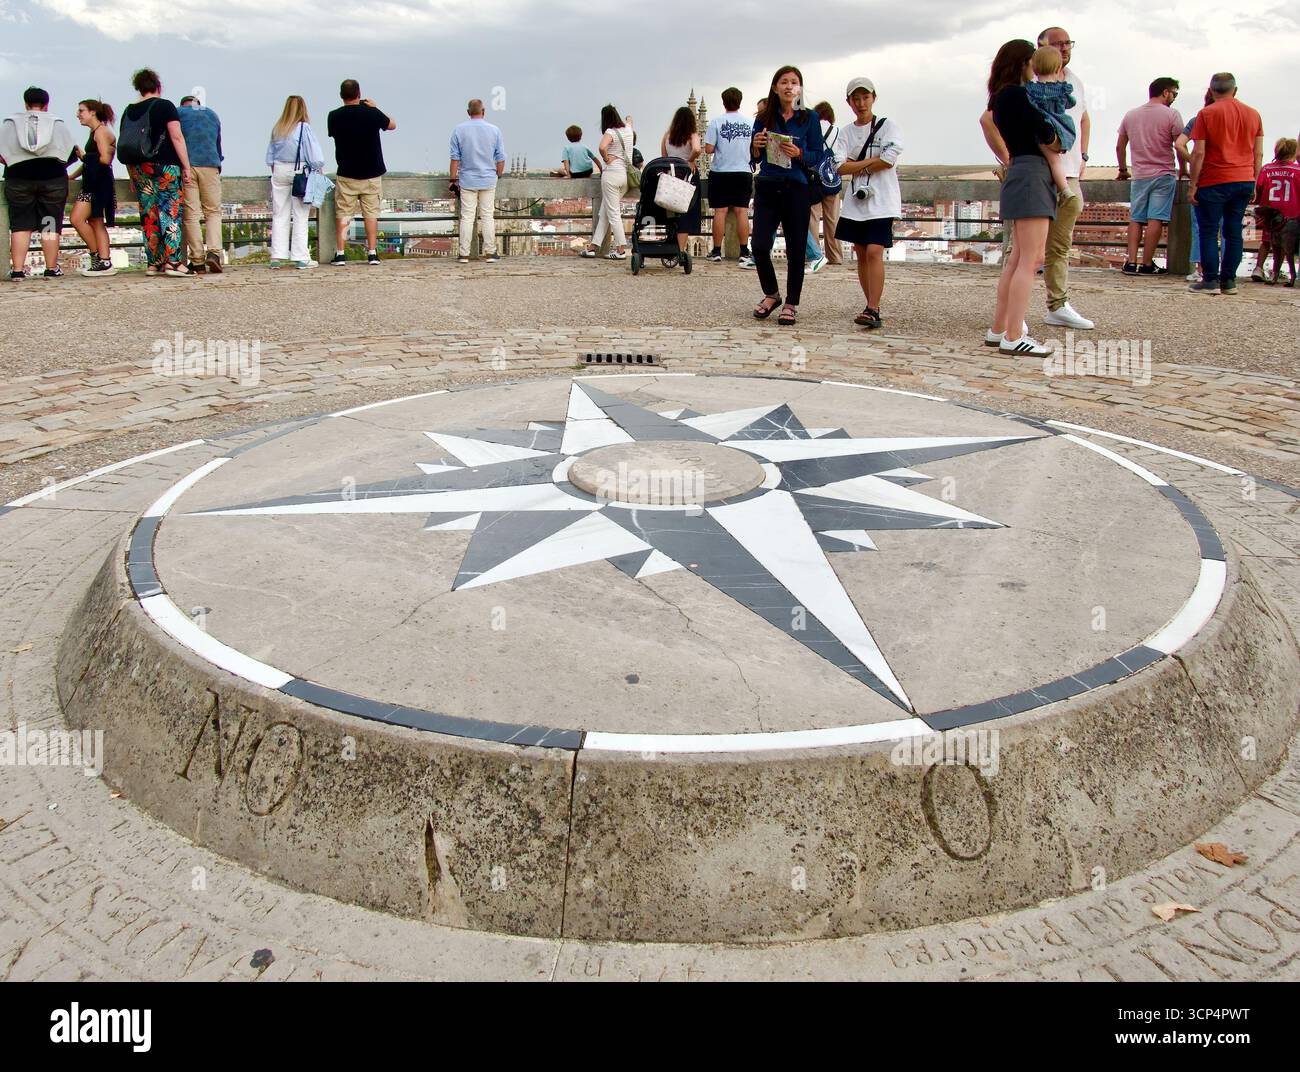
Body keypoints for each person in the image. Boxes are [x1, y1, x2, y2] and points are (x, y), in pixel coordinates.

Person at [985, 39, 1060, 356]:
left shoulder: (1000, 97)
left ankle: (1000, 328)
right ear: (1022, 63)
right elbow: (1051, 138)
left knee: (1017, 259)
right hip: (1032, 174)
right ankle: (1013, 334)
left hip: (1019, 171)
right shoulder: (1018, 96)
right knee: (1030, 260)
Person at [749, 65, 826, 326]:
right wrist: (757, 147)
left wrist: (800, 154)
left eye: (794, 82)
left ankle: (791, 302)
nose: (789, 86)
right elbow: (753, 157)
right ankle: (772, 294)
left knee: (795, 249)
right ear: (775, 87)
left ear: (799, 88)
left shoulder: (810, 118)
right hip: (769, 185)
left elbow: (819, 155)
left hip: (796, 187)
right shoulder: (763, 117)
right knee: (759, 246)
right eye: (784, 82)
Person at [1033, 26, 1093, 330]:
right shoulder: (1031, 79)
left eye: (1068, 42)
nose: (1065, 48)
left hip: (1070, 172)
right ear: (1041, 46)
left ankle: (1057, 304)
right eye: (1058, 44)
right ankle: (1009, 309)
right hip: (1037, 171)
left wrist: (1083, 155)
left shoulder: (1075, 81)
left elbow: (1083, 117)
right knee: (1021, 247)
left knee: (1059, 245)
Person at [833, 77, 903, 330]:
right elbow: (839, 167)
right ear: (849, 102)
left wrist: (857, 163)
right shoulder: (845, 132)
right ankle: (870, 304)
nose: (861, 103)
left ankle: (873, 307)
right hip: (857, 202)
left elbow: (889, 160)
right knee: (861, 252)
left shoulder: (887, 126)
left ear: (873, 97)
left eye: (865, 97)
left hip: (882, 200)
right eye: (856, 99)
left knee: (874, 250)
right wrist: (870, 161)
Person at [1187, 72, 1264, 295]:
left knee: (1209, 231)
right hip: (1243, 180)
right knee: (1233, 232)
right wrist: (1255, 181)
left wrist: (1193, 185)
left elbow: (1199, 152)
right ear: (1235, 90)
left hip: (1213, 181)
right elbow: (1258, 154)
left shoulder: (1206, 113)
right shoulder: (1254, 114)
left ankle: (1210, 280)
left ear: (1211, 91)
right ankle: (1229, 282)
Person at [120, 69, 194, 277]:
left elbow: (127, 143)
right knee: (170, 212)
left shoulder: (129, 110)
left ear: (138, 87)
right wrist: (186, 166)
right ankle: (174, 262)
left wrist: (131, 173)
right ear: (158, 86)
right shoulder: (165, 106)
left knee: (149, 215)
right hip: (166, 166)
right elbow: (176, 137)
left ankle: (154, 263)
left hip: (139, 168)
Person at [0, 87, 76, 280]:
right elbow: (70, 153)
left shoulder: (10, 123)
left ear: (25, 104)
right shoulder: (57, 123)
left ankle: (17, 270)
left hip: (18, 178)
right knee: (49, 223)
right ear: (46, 104)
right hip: (52, 179)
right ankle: (51, 268)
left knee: (20, 224)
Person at [1116, 77, 1186, 275]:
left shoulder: (1131, 115)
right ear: (1165, 92)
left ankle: (1130, 262)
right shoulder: (1172, 115)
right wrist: (1184, 169)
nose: (1174, 97)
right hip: (1163, 173)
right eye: (1174, 93)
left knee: (1136, 217)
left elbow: (1120, 145)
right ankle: (1147, 264)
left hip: (1139, 175)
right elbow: (1179, 146)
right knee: (1155, 218)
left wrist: (1123, 169)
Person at [327, 79, 395, 266]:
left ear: (341, 95)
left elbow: (334, 134)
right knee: (371, 214)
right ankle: (372, 253)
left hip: (347, 172)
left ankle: (340, 254)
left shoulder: (333, 116)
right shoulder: (371, 113)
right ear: (359, 93)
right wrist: (375, 108)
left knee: (343, 214)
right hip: (372, 172)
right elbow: (392, 125)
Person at [266, 95, 324, 269]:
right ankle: (300, 257)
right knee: (300, 215)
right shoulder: (304, 128)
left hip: (279, 170)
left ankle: (277, 256)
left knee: (279, 214)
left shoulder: (278, 129)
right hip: (299, 172)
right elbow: (315, 157)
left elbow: (270, 157)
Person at [449, 98, 506, 264]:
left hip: (467, 180)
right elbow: (501, 158)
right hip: (488, 179)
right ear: (484, 111)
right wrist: (498, 174)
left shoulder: (458, 130)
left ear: (468, 112)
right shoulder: (494, 130)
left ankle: (464, 254)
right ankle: (490, 253)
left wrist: (453, 179)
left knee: (467, 217)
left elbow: (455, 159)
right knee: (487, 216)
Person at [703, 87, 753, 265]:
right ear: (740, 101)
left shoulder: (716, 122)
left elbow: (708, 149)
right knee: (742, 212)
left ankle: (716, 251)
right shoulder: (750, 123)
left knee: (720, 212)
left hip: (721, 171)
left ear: (723, 102)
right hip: (743, 171)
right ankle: (744, 251)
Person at [69, 99, 117, 277]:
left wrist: (84, 156)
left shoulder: (101, 132)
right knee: (95, 221)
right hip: (94, 182)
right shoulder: (96, 132)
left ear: (93, 112)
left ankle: (100, 258)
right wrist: (73, 175)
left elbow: (104, 159)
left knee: (78, 219)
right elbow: (96, 159)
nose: (78, 114)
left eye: (81, 111)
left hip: (97, 184)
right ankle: (102, 259)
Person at [177, 94, 224, 273]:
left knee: (191, 215)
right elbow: (218, 145)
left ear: (183, 104)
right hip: (210, 165)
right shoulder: (212, 114)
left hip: (187, 166)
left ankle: (197, 260)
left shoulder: (178, 113)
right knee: (212, 212)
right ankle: (214, 254)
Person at [1175, 89, 1216, 281]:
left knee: (1200, 225)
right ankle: (1225, 270)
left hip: (1203, 177)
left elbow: (1179, 144)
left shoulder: (1198, 120)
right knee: (1227, 228)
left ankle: (1200, 268)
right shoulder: (1239, 117)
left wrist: (1191, 161)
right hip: (1231, 176)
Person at [1024, 46, 1075, 199]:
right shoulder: (1062, 89)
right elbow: (1070, 103)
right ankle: (1065, 189)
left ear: (1033, 67)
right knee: (1056, 160)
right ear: (1058, 67)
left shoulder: (1030, 89)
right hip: (1059, 126)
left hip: (1042, 127)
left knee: (1051, 160)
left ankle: (1064, 190)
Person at [583, 105, 633, 259]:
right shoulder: (629, 130)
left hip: (611, 175)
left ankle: (621, 250)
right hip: (625, 176)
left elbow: (602, 147)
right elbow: (630, 119)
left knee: (613, 213)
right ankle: (592, 248)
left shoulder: (610, 132)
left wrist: (606, 159)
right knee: (605, 212)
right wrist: (628, 120)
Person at [1252, 138, 1300, 286]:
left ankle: (1258, 268)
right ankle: (1279, 274)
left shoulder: (1266, 169)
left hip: (1270, 211)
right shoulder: (1298, 171)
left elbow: (1258, 189)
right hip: (1291, 213)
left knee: (1266, 241)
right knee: (1287, 245)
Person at [661, 105, 702, 261]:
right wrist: (689, 160)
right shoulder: (692, 135)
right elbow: (697, 149)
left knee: (671, 212)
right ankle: (680, 250)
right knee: (686, 213)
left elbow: (663, 157)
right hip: (687, 177)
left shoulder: (667, 136)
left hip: (671, 175)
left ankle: (670, 247)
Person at [809, 100, 842, 268]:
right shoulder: (838, 131)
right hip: (831, 178)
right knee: (832, 219)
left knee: (812, 218)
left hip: (813, 179)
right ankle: (835, 255)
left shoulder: (811, 129)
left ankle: (814, 255)